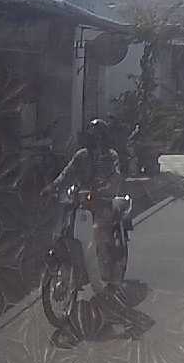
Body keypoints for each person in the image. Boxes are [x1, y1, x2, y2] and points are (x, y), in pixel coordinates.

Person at [42, 118, 126, 287]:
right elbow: (66, 173)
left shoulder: (111, 156)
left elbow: (116, 175)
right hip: (82, 199)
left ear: (104, 138)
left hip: (103, 200)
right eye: (93, 136)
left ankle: (110, 270)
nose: (95, 139)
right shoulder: (81, 155)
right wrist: (52, 186)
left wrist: (106, 187)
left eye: (98, 136)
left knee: (100, 233)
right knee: (63, 227)